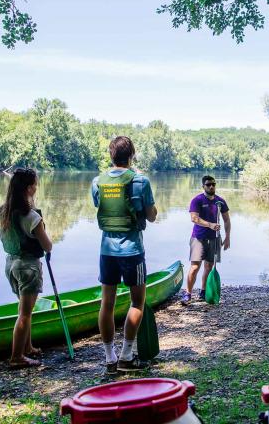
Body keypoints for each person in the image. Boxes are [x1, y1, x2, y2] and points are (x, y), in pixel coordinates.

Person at [92, 136, 157, 374]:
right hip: (132, 251)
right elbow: (151, 216)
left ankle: (110, 358)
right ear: (132, 155)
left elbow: (99, 205)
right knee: (137, 301)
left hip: (106, 250)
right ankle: (126, 355)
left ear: (111, 156)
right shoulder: (141, 181)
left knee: (106, 303)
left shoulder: (98, 181)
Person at [0, 168, 53, 368]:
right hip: (27, 267)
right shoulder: (31, 217)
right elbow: (47, 246)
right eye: (35, 184)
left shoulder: (5, 211)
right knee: (25, 313)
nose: (36, 188)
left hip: (11, 264)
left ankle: (28, 347)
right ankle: (17, 357)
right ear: (30, 188)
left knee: (24, 309)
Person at [181, 175, 231, 305]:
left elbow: (226, 219)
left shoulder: (220, 201)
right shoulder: (197, 200)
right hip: (198, 238)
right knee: (195, 266)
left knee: (209, 266)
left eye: (213, 184)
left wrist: (227, 237)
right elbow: (194, 218)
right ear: (203, 186)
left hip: (214, 239)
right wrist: (210, 225)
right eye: (208, 184)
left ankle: (203, 291)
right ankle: (188, 293)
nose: (211, 186)